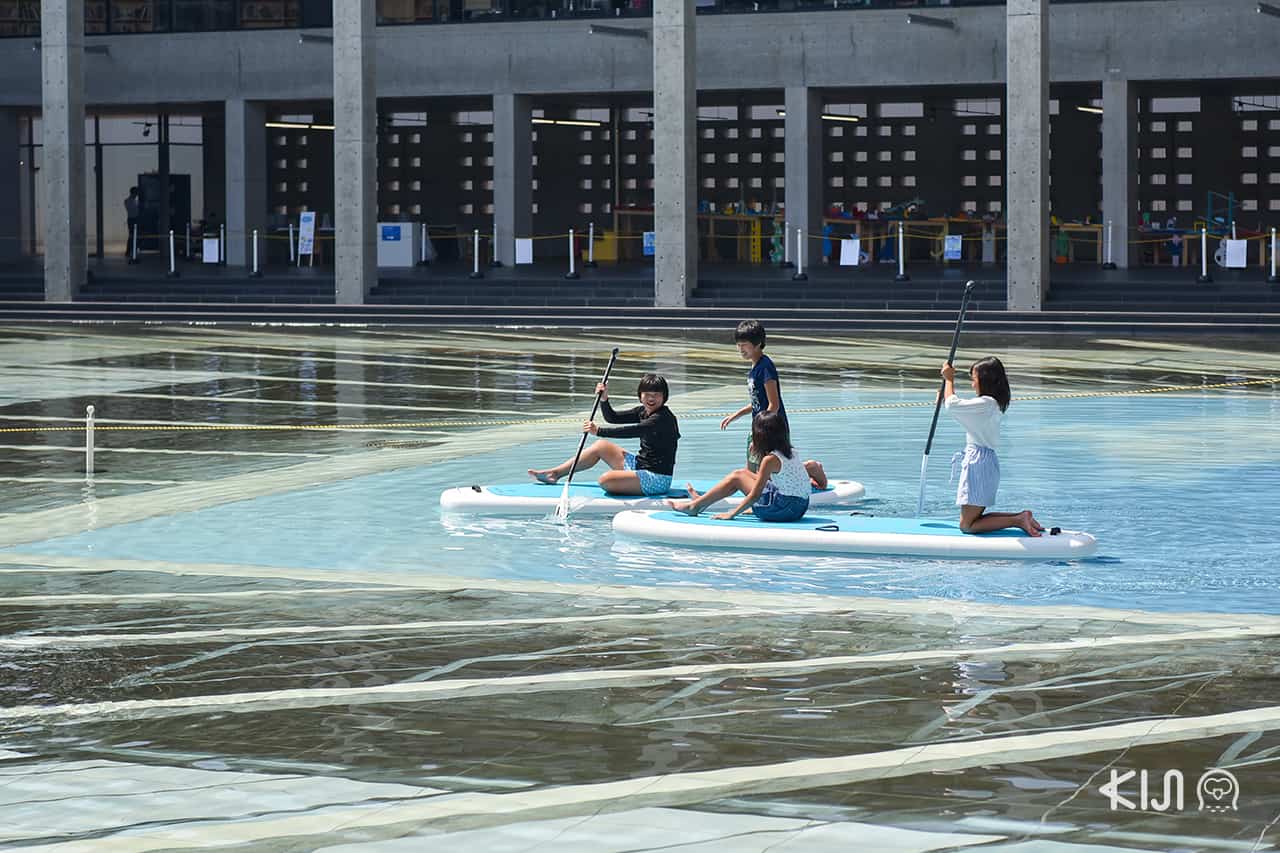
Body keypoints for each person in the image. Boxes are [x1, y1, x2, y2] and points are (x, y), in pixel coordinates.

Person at [527, 374, 679, 497]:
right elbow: (612, 418)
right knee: (600, 446)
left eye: (656, 395)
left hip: (656, 478)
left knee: (605, 480)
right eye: (647, 394)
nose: (651, 399)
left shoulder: (662, 418)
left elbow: (634, 430)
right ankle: (555, 473)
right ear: (640, 395)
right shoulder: (643, 411)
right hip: (639, 466)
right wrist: (604, 399)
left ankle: (627, 482)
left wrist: (599, 431)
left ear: (664, 397)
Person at [942, 356, 1044, 537]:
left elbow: (952, 405)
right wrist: (946, 390)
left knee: (967, 525)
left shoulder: (986, 404)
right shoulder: (990, 404)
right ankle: (1020, 517)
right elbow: (952, 404)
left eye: (974, 379)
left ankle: (1018, 519)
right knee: (973, 520)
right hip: (983, 461)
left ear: (985, 380)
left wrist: (949, 379)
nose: (972, 384)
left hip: (978, 463)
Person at [720, 319, 827, 488]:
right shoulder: (754, 368)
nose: (741, 349)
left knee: (773, 471)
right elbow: (757, 403)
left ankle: (810, 468)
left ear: (758, 344)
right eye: (738, 345)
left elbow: (773, 404)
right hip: (760, 427)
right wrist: (735, 415)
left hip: (772, 429)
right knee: (754, 472)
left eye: (744, 345)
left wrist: (761, 436)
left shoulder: (765, 367)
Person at [667, 411, 810, 522]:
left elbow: (754, 495)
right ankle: (701, 501)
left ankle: (695, 506)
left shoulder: (770, 460)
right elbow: (775, 481)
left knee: (736, 478)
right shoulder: (791, 452)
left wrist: (732, 514)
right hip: (799, 507)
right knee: (742, 473)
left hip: (783, 510)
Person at [123, 187, 140, 254]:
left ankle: (133, 250)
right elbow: (134, 211)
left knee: (133, 235)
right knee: (132, 235)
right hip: (132, 219)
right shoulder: (128, 201)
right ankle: (129, 251)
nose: (137, 195)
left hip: (134, 219)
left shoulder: (135, 201)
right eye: (136, 193)